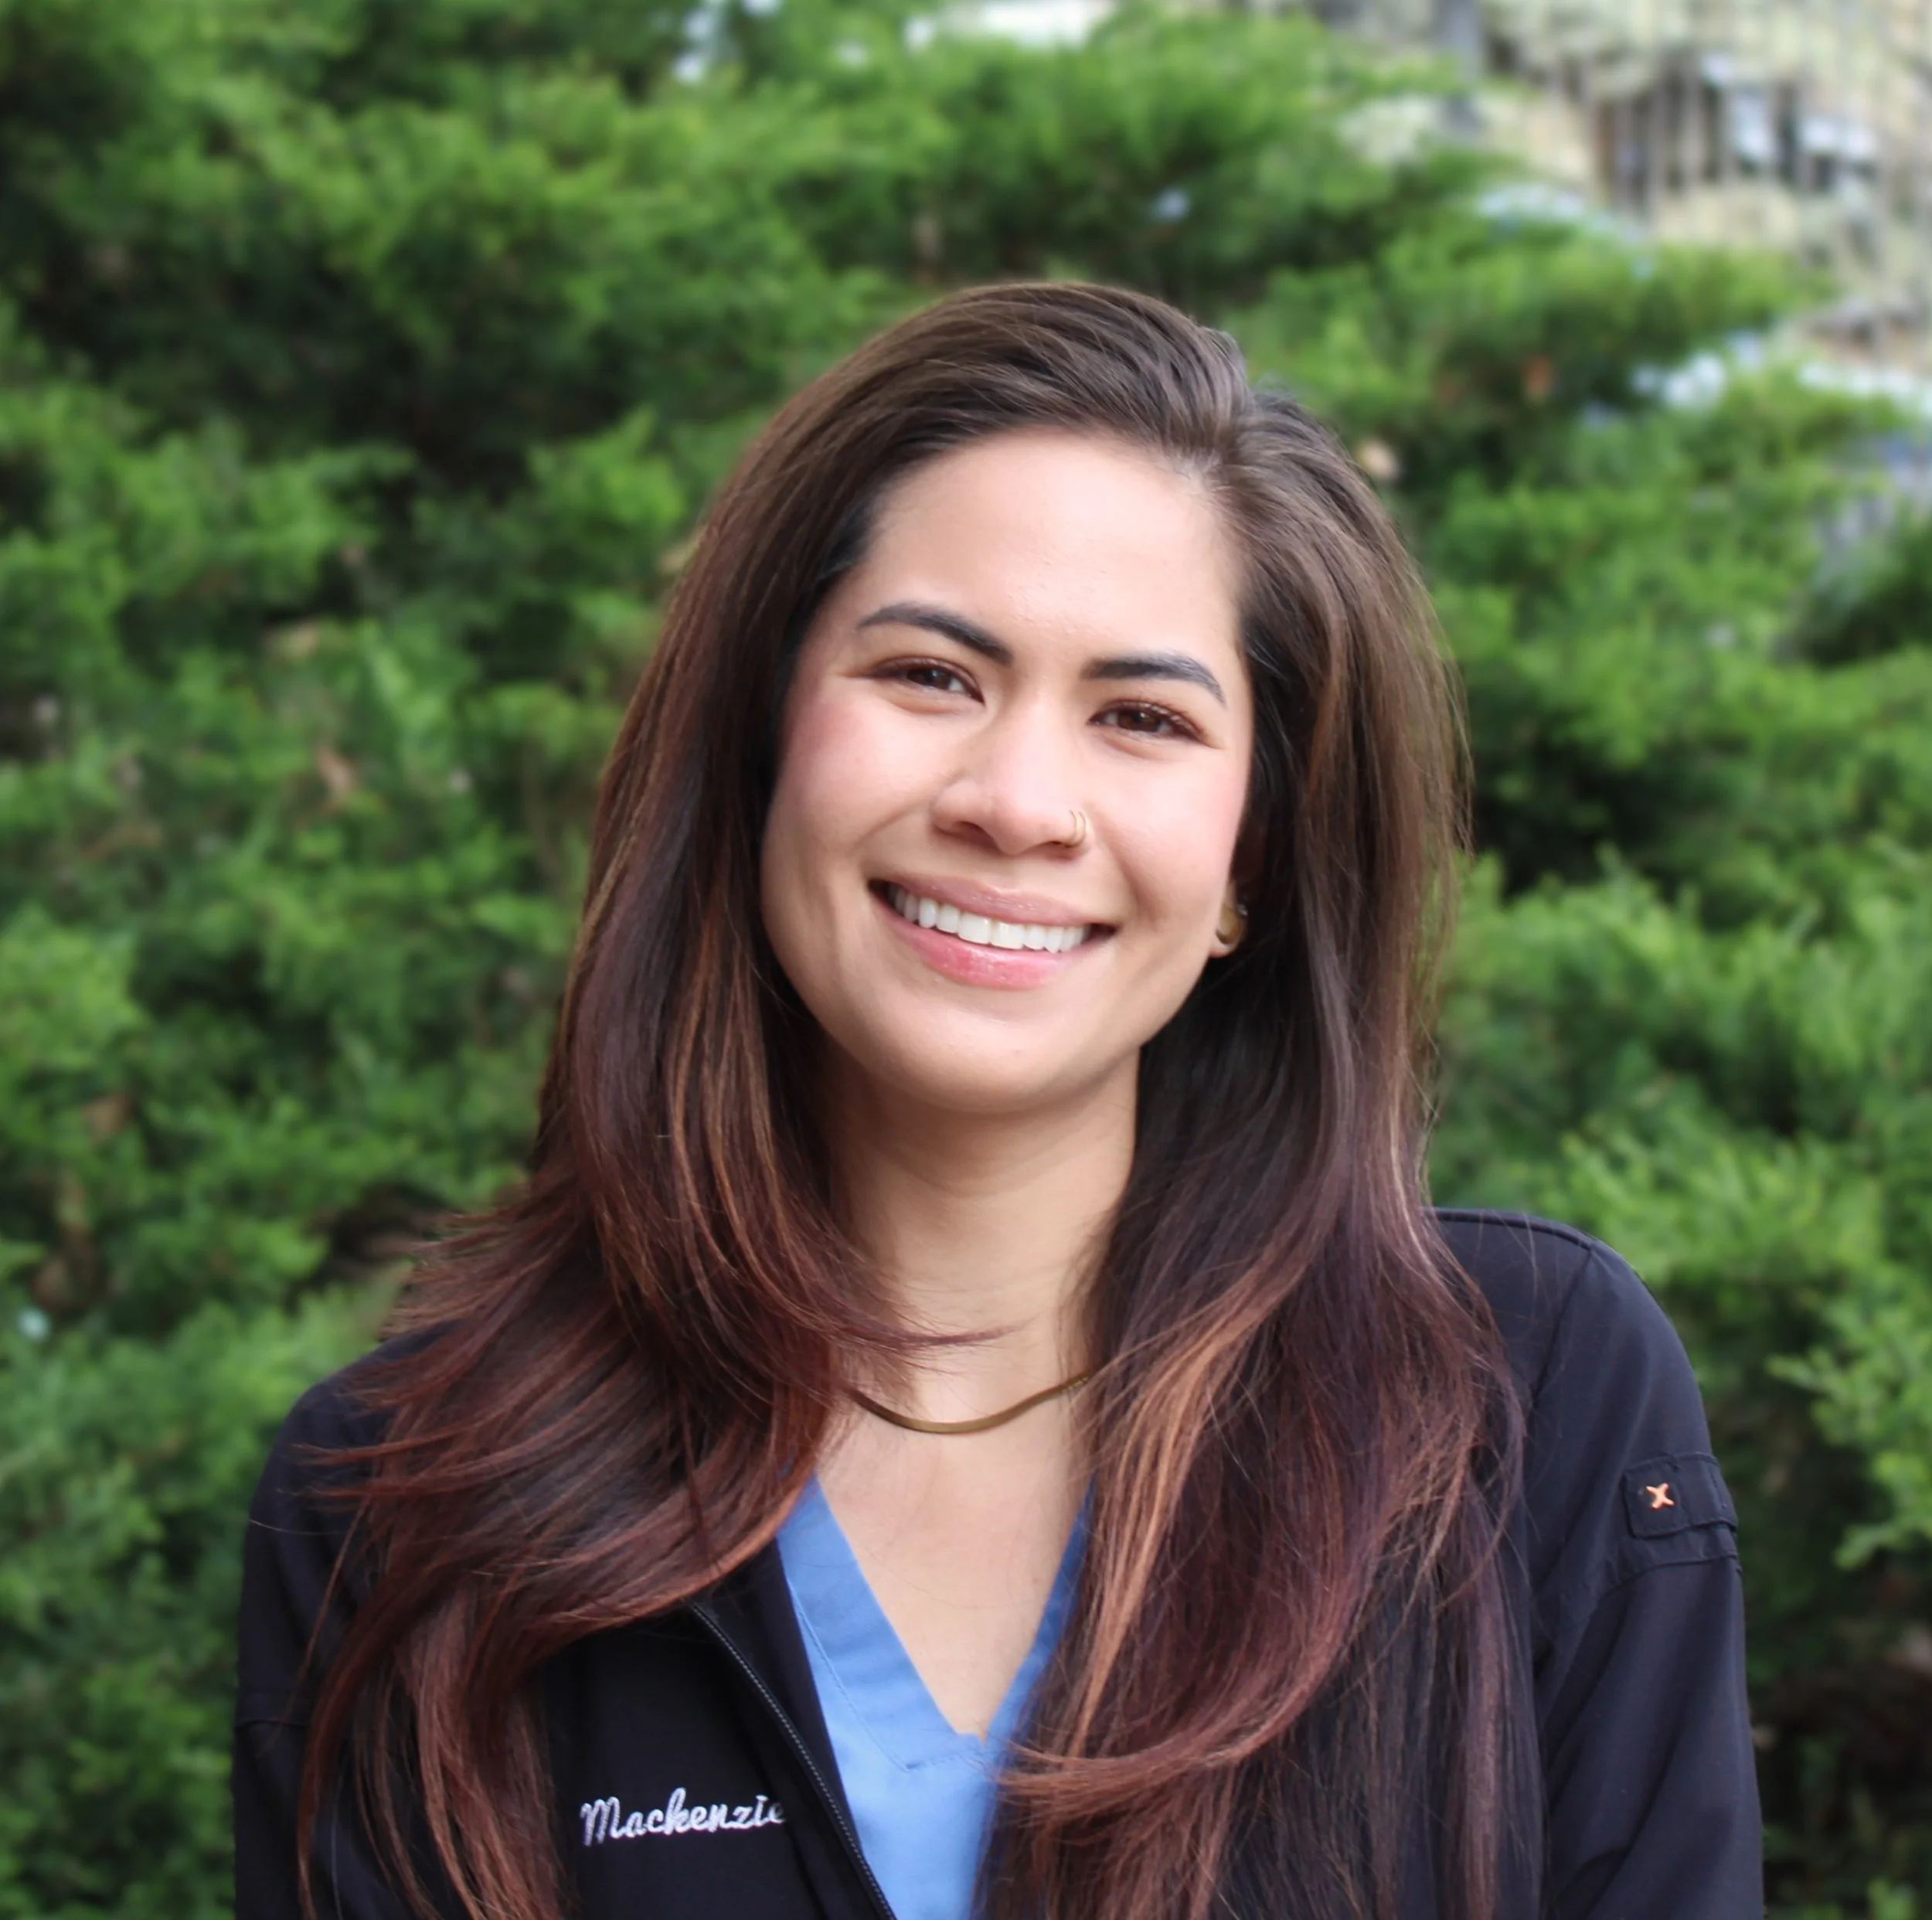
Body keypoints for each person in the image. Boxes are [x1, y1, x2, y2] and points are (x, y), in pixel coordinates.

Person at [233, 282, 1762, 1920]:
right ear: (762, 747)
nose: (1016, 803)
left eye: (1142, 718)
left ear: (1251, 860)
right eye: (931, 676)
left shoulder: (1516, 1407)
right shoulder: (408, 1508)